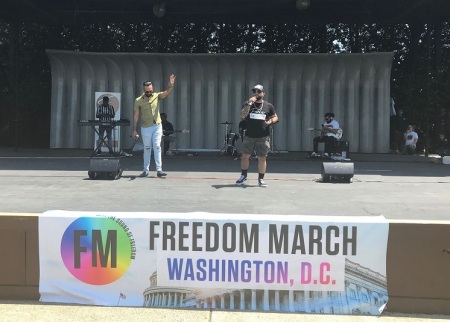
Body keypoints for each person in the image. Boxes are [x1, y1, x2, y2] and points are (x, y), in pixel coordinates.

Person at [132, 74, 176, 177]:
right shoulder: (138, 100)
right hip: (146, 127)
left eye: (151, 90)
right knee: (147, 148)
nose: (149, 93)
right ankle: (145, 170)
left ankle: (159, 170)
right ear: (144, 90)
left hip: (157, 125)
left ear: (153, 89)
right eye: (147, 91)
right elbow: (136, 116)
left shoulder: (156, 96)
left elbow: (166, 93)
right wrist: (134, 130)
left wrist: (171, 85)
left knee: (157, 146)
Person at [235, 84, 278, 187]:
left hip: (263, 136)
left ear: (263, 93)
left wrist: (270, 122)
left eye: (258, 91)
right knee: (245, 156)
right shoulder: (248, 104)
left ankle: (261, 179)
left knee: (262, 157)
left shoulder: (268, 106)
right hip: (250, 135)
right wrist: (249, 103)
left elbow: (276, 117)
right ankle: (243, 175)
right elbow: (242, 115)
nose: (256, 93)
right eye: (254, 91)